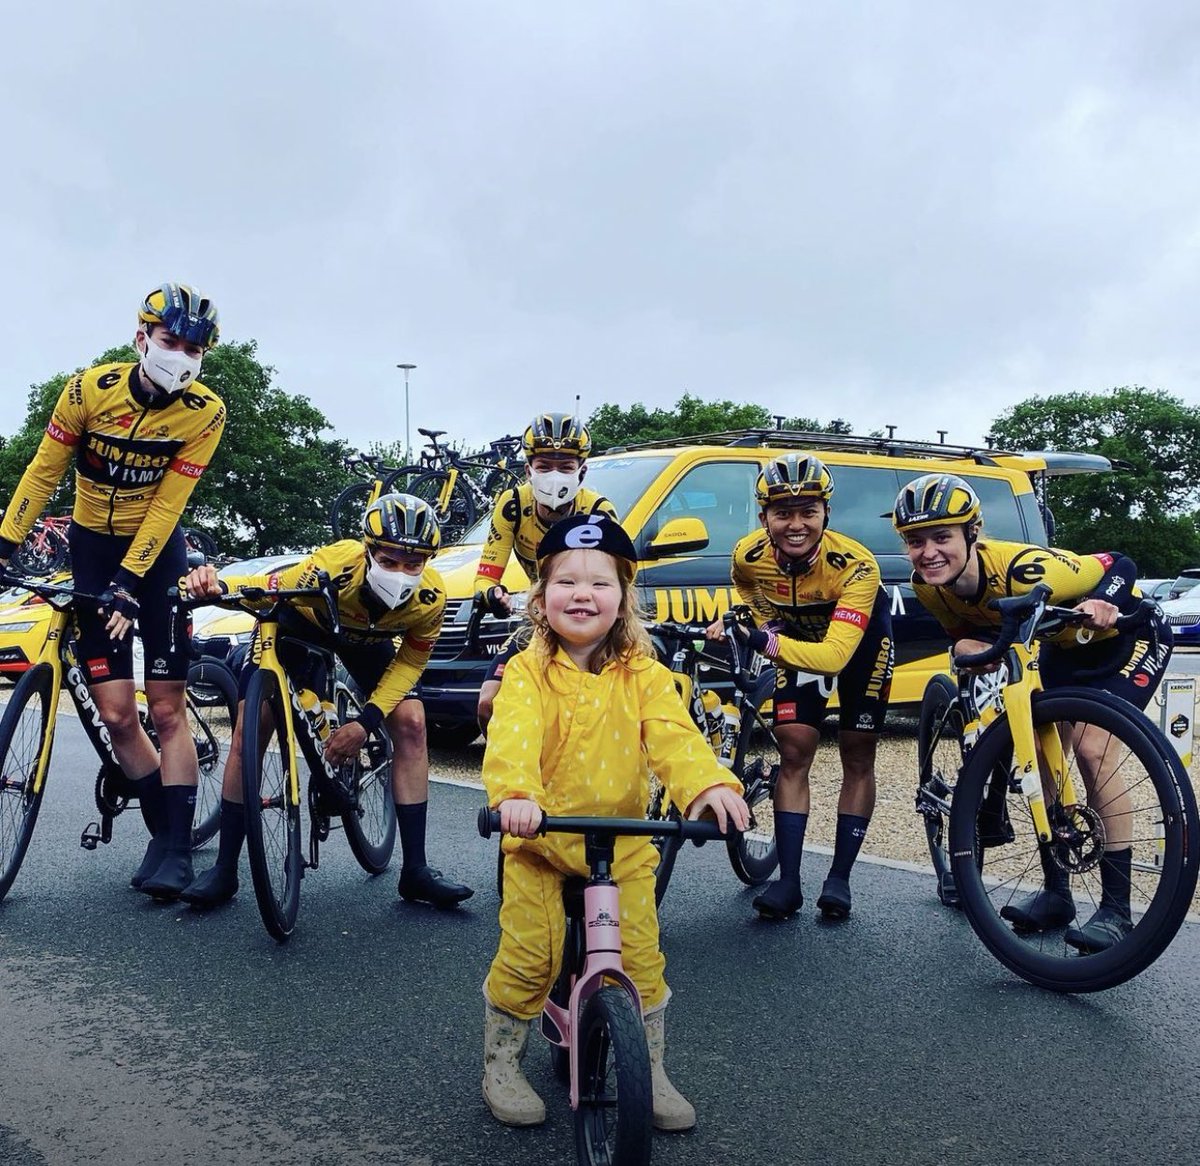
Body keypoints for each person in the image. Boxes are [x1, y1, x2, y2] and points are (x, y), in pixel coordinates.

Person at [481, 512, 750, 1131]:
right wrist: (516, 795)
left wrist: (707, 785)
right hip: (539, 843)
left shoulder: (647, 677)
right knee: (530, 955)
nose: (582, 594)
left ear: (624, 597)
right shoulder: (526, 673)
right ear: (540, 596)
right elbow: (512, 740)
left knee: (641, 960)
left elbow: (674, 738)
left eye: (600, 583)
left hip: (621, 846)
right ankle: (501, 1062)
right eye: (565, 582)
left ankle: (648, 1070)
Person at [0, 283, 224, 899]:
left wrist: (131, 582)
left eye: (193, 348)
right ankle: (166, 830)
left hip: (156, 558)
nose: (180, 355)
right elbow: (44, 470)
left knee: (165, 709)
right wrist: (5, 540)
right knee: (120, 714)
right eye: (169, 341)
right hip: (93, 548)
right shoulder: (88, 391)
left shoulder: (206, 412)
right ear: (142, 338)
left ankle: (177, 847)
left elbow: (169, 503)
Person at [891, 472, 1173, 952]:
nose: (929, 552)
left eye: (943, 537)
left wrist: (1104, 600)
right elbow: (959, 633)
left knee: (1090, 748)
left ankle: (1117, 911)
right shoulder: (928, 586)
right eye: (916, 541)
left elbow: (1118, 562)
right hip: (1063, 646)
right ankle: (1057, 893)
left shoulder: (1025, 569)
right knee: (1042, 753)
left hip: (1127, 637)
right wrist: (972, 644)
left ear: (972, 534)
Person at [181, 493, 472, 910]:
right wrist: (217, 585)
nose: (401, 573)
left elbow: (409, 664)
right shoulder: (336, 564)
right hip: (305, 623)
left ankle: (416, 872)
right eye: (388, 561)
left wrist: (367, 723)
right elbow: (269, 589)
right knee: (255, 720)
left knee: (412, 722)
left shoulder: (431, 598)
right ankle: (224, 870)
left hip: (368, 641)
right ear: (368, 551)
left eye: (414, 563)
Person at [707, 453, 894, 922]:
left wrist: (761, 639)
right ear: (764, 516)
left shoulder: (856, 565)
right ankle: (788, 880)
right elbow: (745, 586)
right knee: (794, 749)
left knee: (856, 751)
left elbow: (834, 657)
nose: (796, 524)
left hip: (859, 647)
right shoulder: (748, 554)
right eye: (782, 513)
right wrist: (767, 623)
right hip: (791, 640)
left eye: (808, 512)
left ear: (825, 513)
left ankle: (839, 878)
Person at [473, 412, 618, 732]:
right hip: (540, 618)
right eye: (544, 466)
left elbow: (618, 583)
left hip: (588, 624)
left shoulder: (598, 512)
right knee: (488, 703)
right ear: (528, 470)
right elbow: (486, 574)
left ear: (582, 472)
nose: (555, 475)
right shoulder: (512, 505)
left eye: (565, 466)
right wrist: (491, 594)